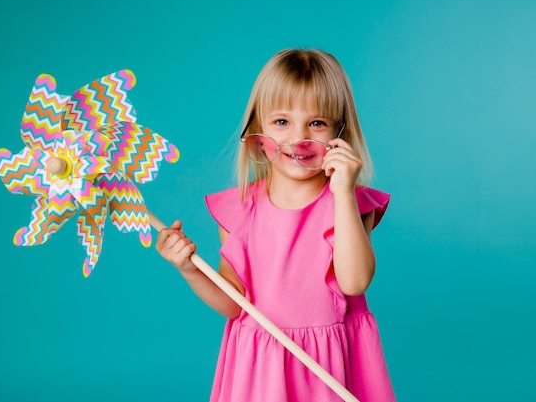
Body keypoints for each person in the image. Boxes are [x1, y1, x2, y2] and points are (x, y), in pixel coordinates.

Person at [156, 48, 396, 402]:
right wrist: (190, 269)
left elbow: (355, 281)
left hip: (331, 362)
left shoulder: (350, 202)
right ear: (257, 128)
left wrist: (343, 192)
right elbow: (235, 303)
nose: (298, 139)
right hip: (262, 363)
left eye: (316, 123)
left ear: (339, 130)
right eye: (282, 122)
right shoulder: (238, 209)